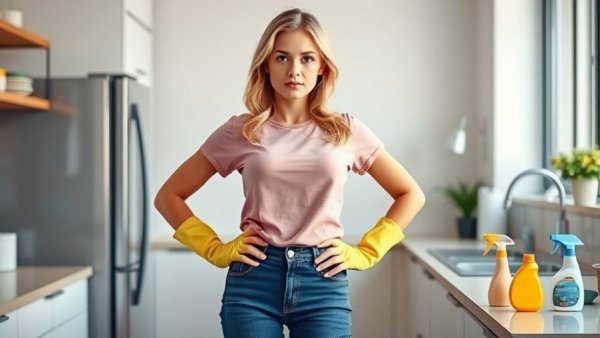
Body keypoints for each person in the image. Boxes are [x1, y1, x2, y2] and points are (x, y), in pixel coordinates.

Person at [154, 7, 425, 338]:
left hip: (322, 281)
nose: (294, 70)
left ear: (322, 66)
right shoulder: (240, 131)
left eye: (307, 59)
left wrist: (366, 252)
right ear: (266, 64)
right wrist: (214, 248)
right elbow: (168, 196)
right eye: (282, 57)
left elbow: (411, 194)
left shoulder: (346, 131)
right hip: (254, 280)